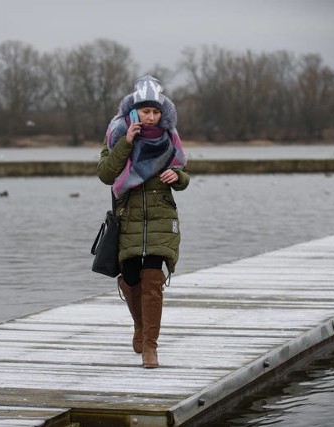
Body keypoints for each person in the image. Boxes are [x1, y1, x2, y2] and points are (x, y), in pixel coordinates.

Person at [97, 75, 190, 368]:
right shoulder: (115, 135)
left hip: (162, 218)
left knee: (153, 279)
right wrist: (126, 144)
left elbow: (183, 174)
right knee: (131, 279)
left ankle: (150, 346)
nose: (151, 117)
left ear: (163, 113)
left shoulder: (170, 138)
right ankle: (139, 326)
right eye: (145, 111)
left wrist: (179, 177)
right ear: (134, 112)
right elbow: (106, 174)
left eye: (156, 111)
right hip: (129, 220)